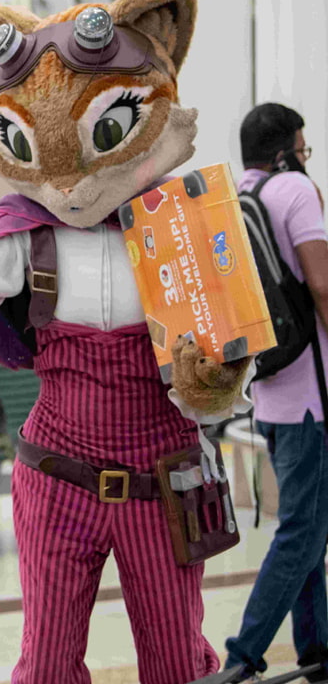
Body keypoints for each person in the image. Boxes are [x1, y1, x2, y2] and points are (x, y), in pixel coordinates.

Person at [223, 103, 328, 680]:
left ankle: (316, 650)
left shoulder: (236, 197)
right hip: (313, 396)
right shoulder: (295, 190)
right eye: (303, 149)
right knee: (302, 533)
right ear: (286, 151)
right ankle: (244, 655)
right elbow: (322, 285)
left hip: (269, 394)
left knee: (310, 527)